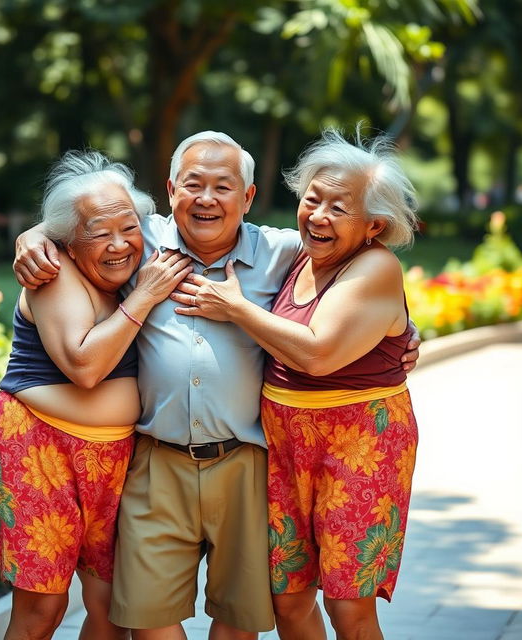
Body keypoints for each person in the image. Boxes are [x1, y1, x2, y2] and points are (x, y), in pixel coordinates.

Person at [12, 131, 421, 640]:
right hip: (157, 460)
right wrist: (33, 237)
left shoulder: (283, 251)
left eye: (223, 187)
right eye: (193, 185)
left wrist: (402, 326)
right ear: (170, 190)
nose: (206, 199)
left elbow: (361, 259)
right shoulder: (136, 245)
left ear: (247, 198)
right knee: (148, 618)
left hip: (248, 461)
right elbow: (83, 223)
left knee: (246, 618)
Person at [171, 128, 420, 640]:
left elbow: (317, 352)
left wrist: (235, 308)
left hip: (357, 446)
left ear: (375, 224)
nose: (319, 216)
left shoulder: (375, 265)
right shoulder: (297, 256)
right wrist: (35, 236)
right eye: (313, 199)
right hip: (285, 448)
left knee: (349, 608)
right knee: (287, 598)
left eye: (339, 208)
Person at [0, 150, 191, 640]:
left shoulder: (141, 257)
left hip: (116, 458)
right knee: (44, 607)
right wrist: (145, 296)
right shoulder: (53, 272)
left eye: (129, 228)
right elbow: (85, 365)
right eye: (99, 234)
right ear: (68, 243)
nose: (119, 245)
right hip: (40, 447)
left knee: (110, 605)